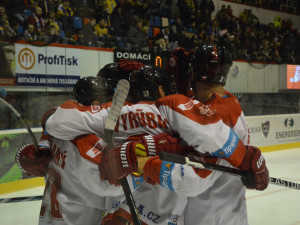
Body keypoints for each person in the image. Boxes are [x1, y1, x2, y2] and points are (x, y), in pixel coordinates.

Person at [45, 62, 269, 224]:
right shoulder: (169, 107)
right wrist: (246, 157)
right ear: (162, 90)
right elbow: (209, 141)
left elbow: (58, 121)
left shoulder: (115, 115)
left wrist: (142, 154)